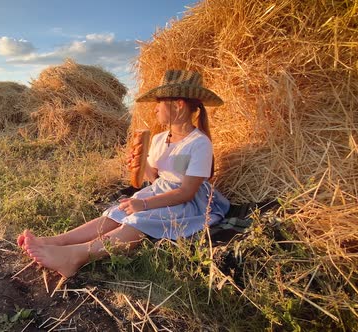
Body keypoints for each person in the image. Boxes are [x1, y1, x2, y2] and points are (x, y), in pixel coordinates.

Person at [17, 70, 230, 278]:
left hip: (186, 203)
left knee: (137, 221)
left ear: (178, 104)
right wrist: (139, 163)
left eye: (159, 103)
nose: (155, 109)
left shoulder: (199, 143)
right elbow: (156, 179)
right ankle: (57, 241)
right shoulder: (159, 139)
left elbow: (186, 192)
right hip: (160, 191)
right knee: (116, 213)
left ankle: (76, 256)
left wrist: (145, 205)